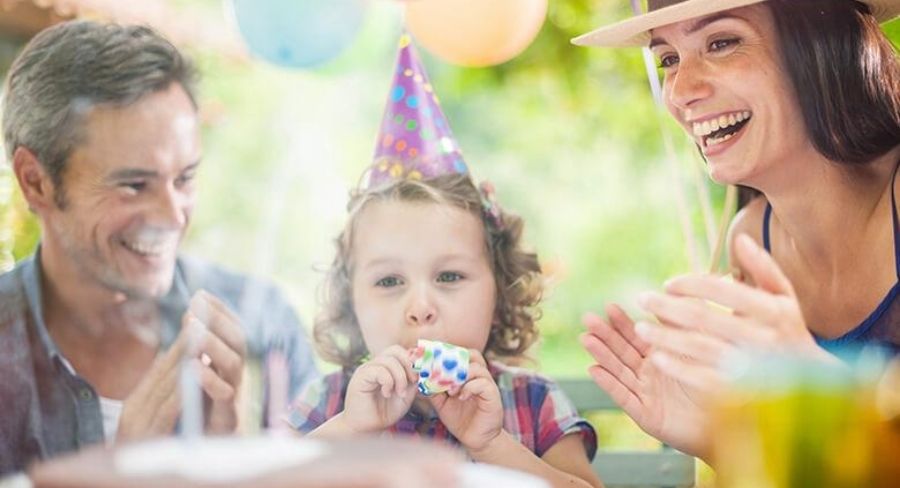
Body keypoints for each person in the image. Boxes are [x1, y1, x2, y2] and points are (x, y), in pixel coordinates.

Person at [573, 0, 900, 462]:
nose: (681, 91)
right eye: (668, 59)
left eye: (722, 42)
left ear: (822, 46)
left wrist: (826, 390)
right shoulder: (751, 239)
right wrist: (715, 441)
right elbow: (819, 470)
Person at [0, 20, 318, 478]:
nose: (173, 217)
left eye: (185, 178)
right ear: (36, 182)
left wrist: (238, 471)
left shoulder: (264, 330)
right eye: (133, 185)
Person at [286, 36, 602, 488]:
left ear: (500, 288)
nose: (420, 307)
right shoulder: (330, 402)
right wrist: (349, 429)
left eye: (449, 275)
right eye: (390, 280)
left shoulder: (533, 402)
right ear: (350, 299)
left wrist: (493, 444)